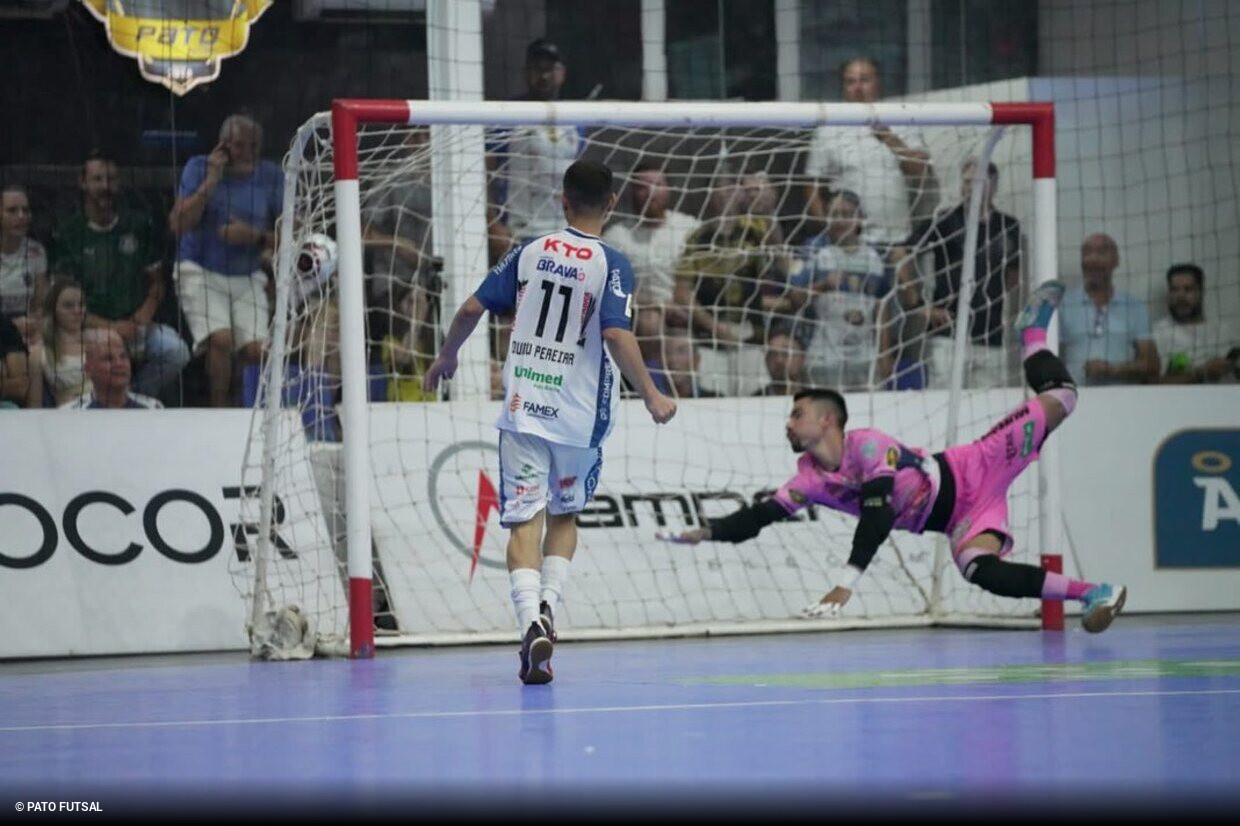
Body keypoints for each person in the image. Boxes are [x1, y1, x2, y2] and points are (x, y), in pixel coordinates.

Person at [659, 280, 1128, 634]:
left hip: (978, 465)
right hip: (962, 516)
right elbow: (757, 518)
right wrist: (705, 533)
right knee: (978, 571)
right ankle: (1093, 594)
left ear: (827, 421)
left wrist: (847, 581)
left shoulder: (867, 445)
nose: (788, 422)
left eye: (796, 414)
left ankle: (1032, 336)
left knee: (1064, 396)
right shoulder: (809, 479)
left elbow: (877, 514)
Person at [423, 159, 677, 684]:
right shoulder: (614, 263)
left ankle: (529, 621)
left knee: (522, 522)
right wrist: (651, 393)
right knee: (564, 517)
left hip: (523, 412)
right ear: (612, 203)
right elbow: (616, 334)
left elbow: (471, 309)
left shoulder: (529, 251)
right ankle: (548, 608)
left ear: (563, 200)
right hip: (580, 421)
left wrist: (447, 357)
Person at [51, 151, 189, 400]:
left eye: (111, 179)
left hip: (136, 325)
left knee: (176, 351)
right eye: (98, 179)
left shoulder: (139, 224)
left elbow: (157, 284)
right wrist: (112, 327)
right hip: (88, 327)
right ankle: (101, 400)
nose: (105, 187)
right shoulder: (68, 234)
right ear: (82, 183)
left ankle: (133, 398)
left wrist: (142, 317)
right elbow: (61, 301)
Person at [168, 113, 282, 406]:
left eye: (251, 146)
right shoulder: (198, 167)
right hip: (200, 269)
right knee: (221, 340)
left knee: (257, 350)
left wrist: (254, 237)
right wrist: (211, 181)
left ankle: (246, 410)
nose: (243, 153)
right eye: (237, 145)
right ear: (223, 145)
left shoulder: (271, 176)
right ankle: (218, 411)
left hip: (247, 274)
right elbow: (178, 225)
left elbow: (296, 234)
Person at [803, 56, 936, 256]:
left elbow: (922, 172)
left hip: (897, 239)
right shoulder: (829, 128)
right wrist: (828, 227)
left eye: (864, 80)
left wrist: (889, 138)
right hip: (849, 242)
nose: (858, 87)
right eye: (851, 81)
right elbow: (811, 184)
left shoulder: (901, 119)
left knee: (908, 286)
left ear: (878, 83)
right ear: (843, 88)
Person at [912, 159, 1022, 390]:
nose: (971, 187)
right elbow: (903, 251)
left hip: (989, 334)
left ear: (993, 185)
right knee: (941, 399)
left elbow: (1012, 275)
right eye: (967, 182)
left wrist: (992, 299)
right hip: (947, 333)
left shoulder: (1008, 225)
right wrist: (919, 303)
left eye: (978, 181)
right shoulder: (945, 220)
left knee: (987, 403)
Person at [487, 39, 586, 246]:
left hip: (564, 231)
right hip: (519, 231)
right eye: (537, 68)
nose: (543, 76)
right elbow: (486, 173)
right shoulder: (506, 115)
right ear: (526, 72)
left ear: (562, 73)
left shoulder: (576, 119)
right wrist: (492, 223)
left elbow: (580, 177)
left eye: (550, 69)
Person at [1057, 233, 1158, 386]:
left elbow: (1152, 365)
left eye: (1102, 252)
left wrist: (1112, 369)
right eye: (1087, 253)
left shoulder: (1133, 307)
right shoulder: (1063, 305)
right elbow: (1050, 358)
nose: (1093, 259)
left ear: (1116, 261)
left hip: (1124, 400)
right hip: (1076, 401)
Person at [1151, 263, 1239, 384]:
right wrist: (1201, 373)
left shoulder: (1224, 330)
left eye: (1188, 289)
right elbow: (1153, 383)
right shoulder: (1157, 333)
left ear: (1201, 292)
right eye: (1174, 290)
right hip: (1182, 401)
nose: (1180, 296)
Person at [62, 327, 162, 409]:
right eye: (108, 359)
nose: (119, 364)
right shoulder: (71, 413)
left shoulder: (153, 408)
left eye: (123, 357)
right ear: (88, 370)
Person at [0, 184, 49, 343]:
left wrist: (33, 323)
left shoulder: (37, 251)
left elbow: (40, 304)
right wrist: (11, 325)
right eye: (12, 210)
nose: (21, 216)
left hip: (27, 331)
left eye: (25, 210)